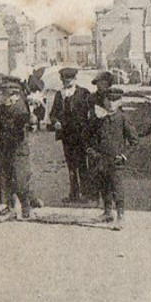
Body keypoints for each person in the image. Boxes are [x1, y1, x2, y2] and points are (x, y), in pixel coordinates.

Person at [87, 73, 134, 227]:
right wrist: (90, 149)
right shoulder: (98, 117)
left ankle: (121, 216)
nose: (111, 104)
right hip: (100, 158)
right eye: (108, 100)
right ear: (104, 101)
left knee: (117, 187)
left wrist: (124, 155)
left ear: (119, 102)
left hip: (116, 160)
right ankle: (107, 212)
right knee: (103, 185)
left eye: (115, 101)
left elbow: (134, 141)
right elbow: (88, 135)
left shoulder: (122, 119)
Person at [0, 75, 36, 221]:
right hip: (4, 147)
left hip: (18, 148)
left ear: (16, 93)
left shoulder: (20, 107)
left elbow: (25, 120)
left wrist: (30, 119)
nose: (5, 96)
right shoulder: (3, 106)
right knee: (5, 178)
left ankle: (27, 207)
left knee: (19, 179)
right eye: (5, 93)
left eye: (9, 93)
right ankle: (10, 208)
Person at [47, 67, 92, 202]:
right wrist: (55, 122)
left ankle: (86, 194)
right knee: (71, 165)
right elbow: (53, 114)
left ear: (74, 79)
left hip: (81, 135)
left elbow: (91, 112)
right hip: (67, 136)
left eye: (69, 81)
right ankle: (73, 194)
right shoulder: (59, 95)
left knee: (82, 164)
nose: (66, 83)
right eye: (64, 81)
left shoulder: (84, 93)